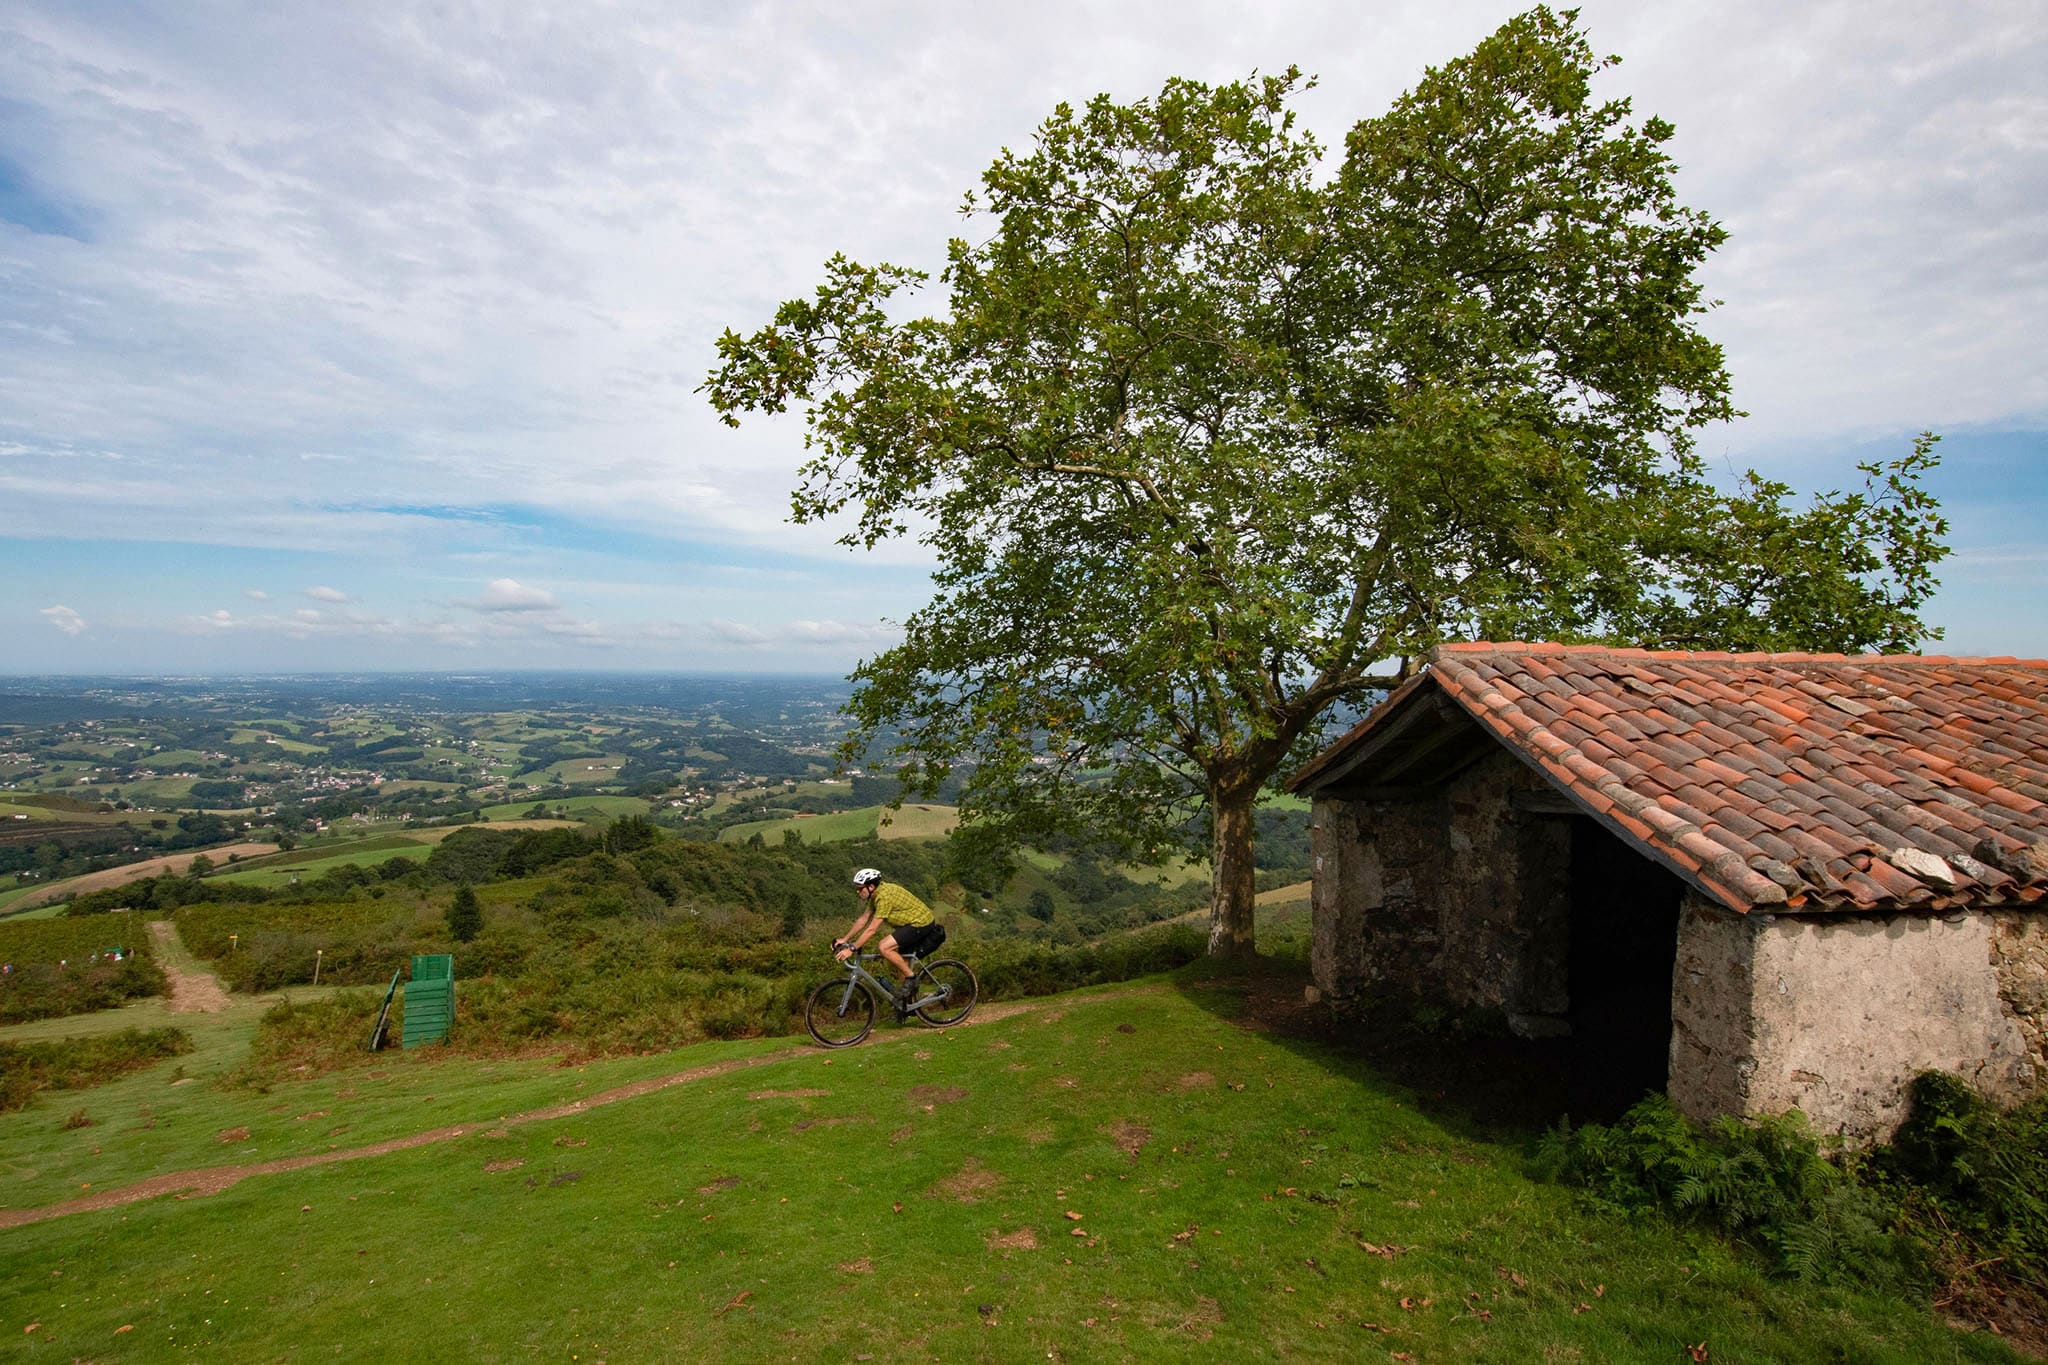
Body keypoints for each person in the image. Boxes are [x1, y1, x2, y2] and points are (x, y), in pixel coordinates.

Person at [835, 867, 942, 1010]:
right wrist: (845, 939)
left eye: (860, 888)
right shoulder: (875, 896)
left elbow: (872, 929)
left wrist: (853, 948)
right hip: (910, 924)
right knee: (901, 963)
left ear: (871, 886)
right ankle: (908, 1007)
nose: (858, 891)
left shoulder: (884, 897)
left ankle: (912, 978)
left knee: (884, 947)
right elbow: (864, 919)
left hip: (920, 923)